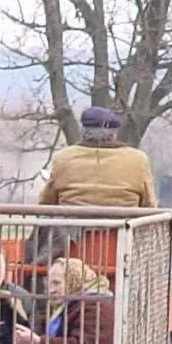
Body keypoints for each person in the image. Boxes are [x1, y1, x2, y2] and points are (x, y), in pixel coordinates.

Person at [27, 106, 158, 265]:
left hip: (67, 243)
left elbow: (46, 202)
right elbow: (149, 204)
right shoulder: (138, 159)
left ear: (84, 130)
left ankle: (31, 275)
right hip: (123, 241)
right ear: (113, 132)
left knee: (38, 242)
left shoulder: (63, 157)